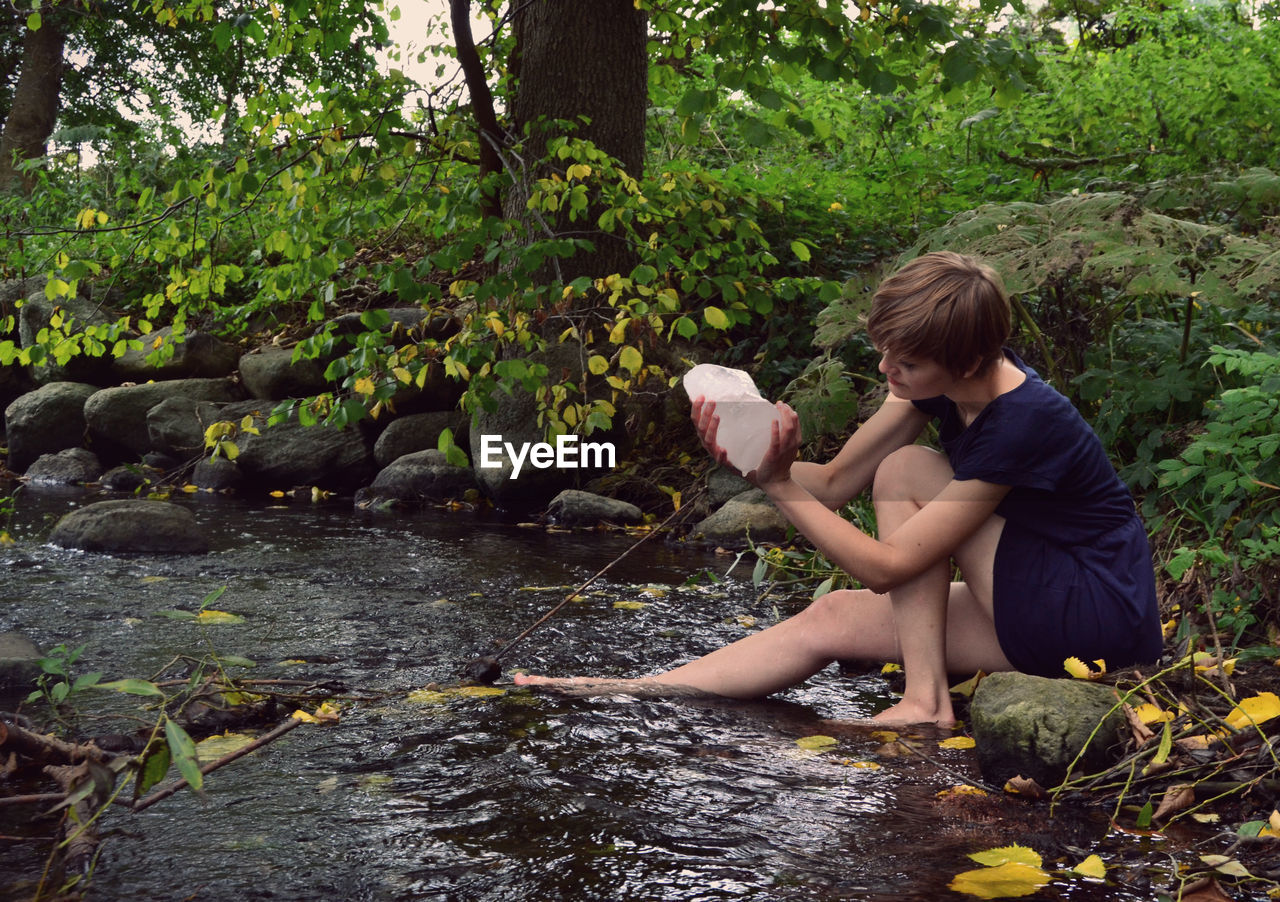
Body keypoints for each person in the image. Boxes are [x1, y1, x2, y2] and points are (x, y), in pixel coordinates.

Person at [515, 251, 1164, 725]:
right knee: (831, 614)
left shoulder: (1023, 420)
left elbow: (887, 568)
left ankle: (922, 701)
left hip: (1092, 612)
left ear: (965, 360)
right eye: (883, 352)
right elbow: (829, 484)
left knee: (905, 470)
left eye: (904, 363)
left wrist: (774, 485)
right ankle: (627, 690)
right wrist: (751, 455)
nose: (887, 372)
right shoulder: (944, 382)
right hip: (1034, 594)